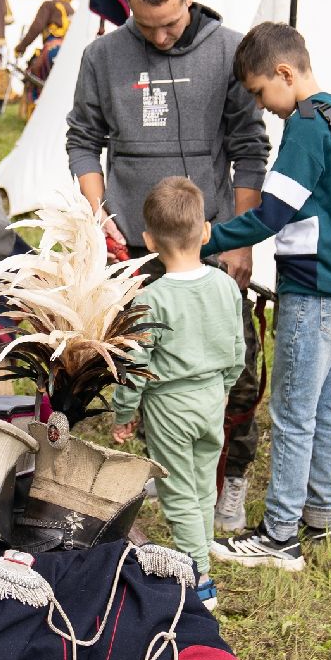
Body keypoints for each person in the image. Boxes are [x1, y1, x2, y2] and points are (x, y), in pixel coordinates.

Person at [64, 0, 270, 535]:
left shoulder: (229, 50)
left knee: (233, 366)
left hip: (211, 238)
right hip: (134, 243)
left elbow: (250, 147)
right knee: (144, 363)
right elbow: (83, 139)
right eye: (145, 25)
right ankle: (159, 468)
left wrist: (241, 239)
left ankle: (230, 475)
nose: (158, 36)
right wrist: (96, 214)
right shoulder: (102, 56)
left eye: (171, 25)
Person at [205, 22, 331, 571]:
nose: (264, 107)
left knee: (291, 411)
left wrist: (207, 238)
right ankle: (320, 522)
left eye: (262, 93)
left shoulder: (305, 124)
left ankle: (280, 535)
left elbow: (271, 213)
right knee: (326, 408)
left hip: (314, 286)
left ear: (285, 74)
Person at [110, 176, 244, 611]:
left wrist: (123, 413)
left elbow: (135, 365)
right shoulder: (226, 285)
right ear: (205, 231)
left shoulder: (150, 299)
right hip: (211, 401)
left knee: (178, 491)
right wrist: (223, 389)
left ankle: (199, 577)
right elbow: (238, 349)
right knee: (204, 481)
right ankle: (203, 540)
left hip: (170, 406)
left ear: (149, 241)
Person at [12, 0, 81, 117]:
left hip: (51, 50)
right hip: (70, 52)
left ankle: (35, 117)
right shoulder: (72, 10)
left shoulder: (48, 5)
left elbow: (35, 28)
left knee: (33, 76)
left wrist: (20, 47)